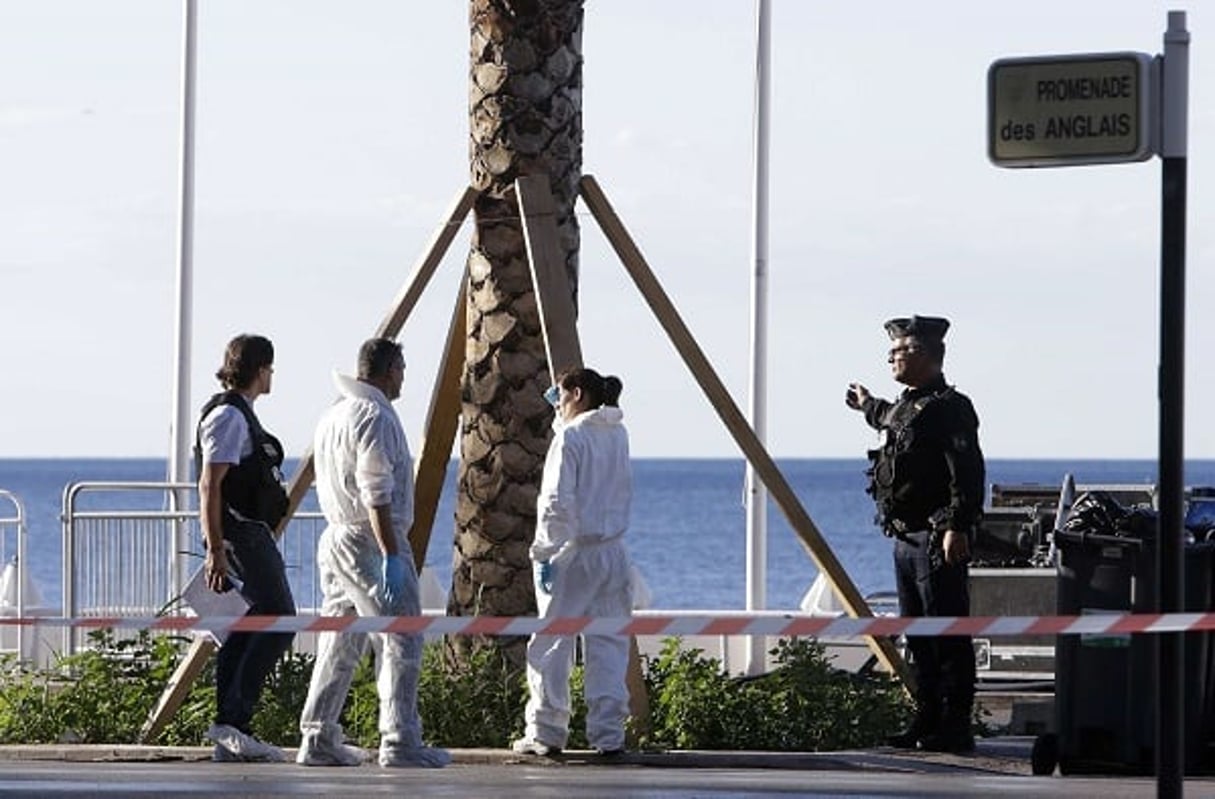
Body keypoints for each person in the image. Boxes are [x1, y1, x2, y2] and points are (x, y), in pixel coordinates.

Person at [296, 338, 450, 769]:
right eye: (402, 368)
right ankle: (400, 739)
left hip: (337, 537)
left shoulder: (333, 414)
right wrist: (390, 553)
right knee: (402, 636)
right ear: (389, 369)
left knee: (341, 639)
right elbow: (375, 490)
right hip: (368, 537)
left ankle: (318, 735)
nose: (404, 377)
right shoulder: (375, 416)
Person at [845, 315, 985, 754]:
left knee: (946, 633)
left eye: (899, 352)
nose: (891, 358)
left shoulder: (950, 406)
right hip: (905, 539)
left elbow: (966, 471)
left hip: (935, 536)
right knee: (919, 635)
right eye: (889, 353)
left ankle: (955, 726)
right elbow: (888, 419)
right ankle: (926, 718)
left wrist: (956, 525)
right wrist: (867, 403)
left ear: (925, 355)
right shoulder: (909, 406)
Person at [512, 367, 634, 758]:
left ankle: (547, 732)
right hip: (614, 552)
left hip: (574, 553)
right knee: (609, 642)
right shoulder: (618, 433)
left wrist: (544, 553)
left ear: (577, 394)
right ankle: (608, 734)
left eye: (559, 396)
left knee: (551, 643)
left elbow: (556, 503)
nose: (557, 406)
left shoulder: (571, 438)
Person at [197, 333, 296, 762]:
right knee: (279, 618)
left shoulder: (241, 416)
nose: (272, 376)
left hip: (247, 533)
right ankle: (233, 721)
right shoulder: (229, 417)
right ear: (260, 369)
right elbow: (209, 484)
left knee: (252, 620)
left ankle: (231, 726)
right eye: (270, 369)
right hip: (242, 535)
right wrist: (216, 548)